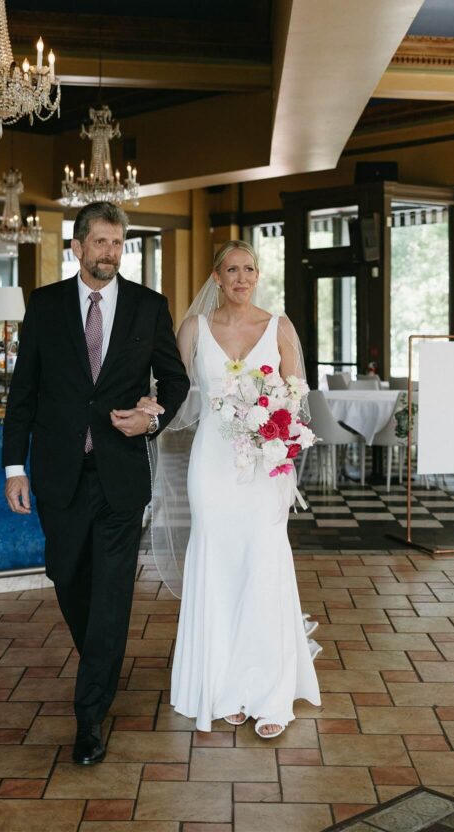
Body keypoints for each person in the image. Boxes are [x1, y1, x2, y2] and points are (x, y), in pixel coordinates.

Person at [2, 202, 190, 765]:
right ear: (77, 247)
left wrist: (151, 417)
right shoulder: (45, 305)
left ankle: (89, 716)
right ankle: (101, 663)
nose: (110, 252)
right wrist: (15, 467)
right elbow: (24, 393)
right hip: (60, 474)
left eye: (117, 242)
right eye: (100, 242)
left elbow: (174, 382)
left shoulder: (148, 307)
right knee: (67, 575)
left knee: (112, 591)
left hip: (119, 474)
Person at [148, 239, 321, 738]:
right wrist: (145, 411)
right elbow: (172, 392)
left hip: (266, 466)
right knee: (218, 561)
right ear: (216, 277)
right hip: (213, 462)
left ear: (258, 274)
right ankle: (224, 684)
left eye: (250, 269)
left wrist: (279, 440)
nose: (242, 277)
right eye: (232, 270)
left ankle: (268, 689)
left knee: (264, 559)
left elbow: (296, 399)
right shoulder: (194, 328)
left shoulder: (280, 327)